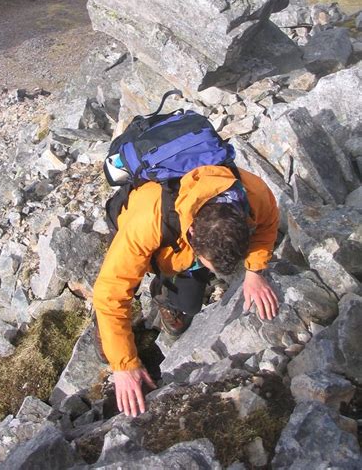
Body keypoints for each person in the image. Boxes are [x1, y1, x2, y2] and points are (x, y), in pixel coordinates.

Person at [92, 164, 280, 418]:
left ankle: (164, 297)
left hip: (178, 240)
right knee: (117, 303)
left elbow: (268, 224)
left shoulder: (253, 192)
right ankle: (105, 329)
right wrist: (124, 365)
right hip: (143, 222)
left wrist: (254, 271)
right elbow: (110, 291)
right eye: (206, 263)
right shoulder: (147, 219)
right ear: (192, 233)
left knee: (189, 306)